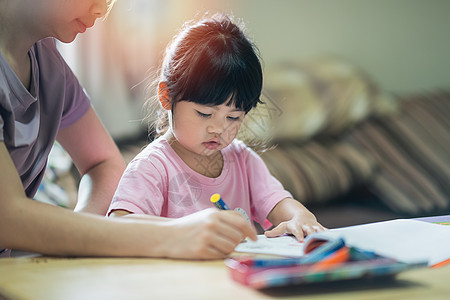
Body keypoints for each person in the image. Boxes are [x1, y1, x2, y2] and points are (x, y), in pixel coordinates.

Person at [0, 0, 256, 259]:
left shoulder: (48, 63)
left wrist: (75, 242)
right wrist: (173, 235)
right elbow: (7, 217)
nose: (101, 11)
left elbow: (104, 164)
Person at [108, 14, 326, 241]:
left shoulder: (243, 161)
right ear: (166, 96)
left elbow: (280, 203)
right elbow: (119, 226)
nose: (219, 129)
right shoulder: (152, 168)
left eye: (233, 117)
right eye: (205, 114)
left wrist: (302, 216)